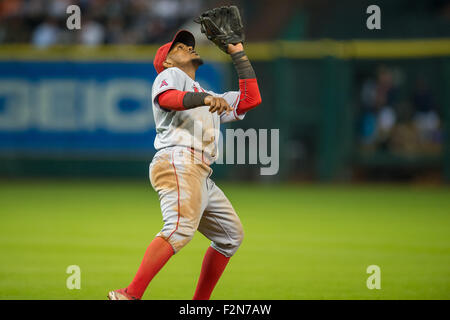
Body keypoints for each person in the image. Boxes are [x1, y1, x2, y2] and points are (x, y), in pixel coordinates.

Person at [108, 29, 262, 300]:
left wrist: (238, 53)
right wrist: (203, 99)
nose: (189, 48)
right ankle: (130, 294)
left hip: (200, 172)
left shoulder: (207, 93)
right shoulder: (169, 76)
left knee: (230, 237)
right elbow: (168, 99)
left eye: (189, 45)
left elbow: (251, 100)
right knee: (178, 229)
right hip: (178, 161)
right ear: (167, 61)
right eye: (179, 47)